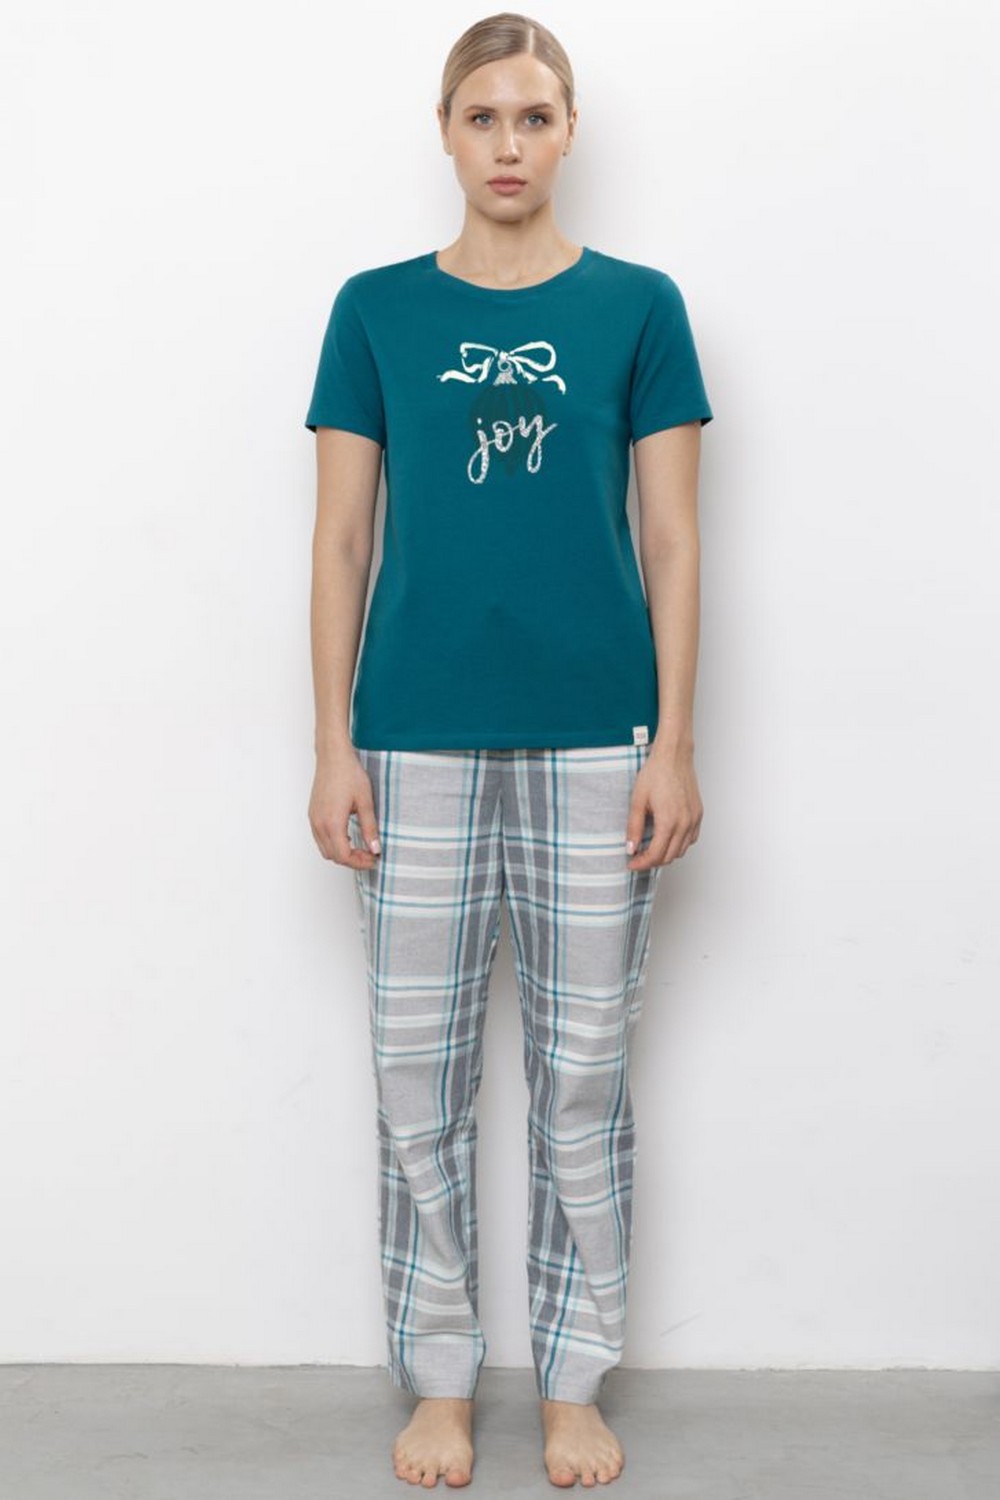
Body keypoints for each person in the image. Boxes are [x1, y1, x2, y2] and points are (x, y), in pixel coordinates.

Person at [303, 11, 713, 1488]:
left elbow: (673, 540)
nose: (509, 145)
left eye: (534, 116)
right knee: (416, 1075)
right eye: (483, 117)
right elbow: (341, 542)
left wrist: (674, 744)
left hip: (600, 740)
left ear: (570, 130)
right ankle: (437, 1374)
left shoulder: (641, 309)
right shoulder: (374, 311)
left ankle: (571, 1378)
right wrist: (333, 743)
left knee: (582, 1073)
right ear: (445, 131)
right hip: (413, 742)